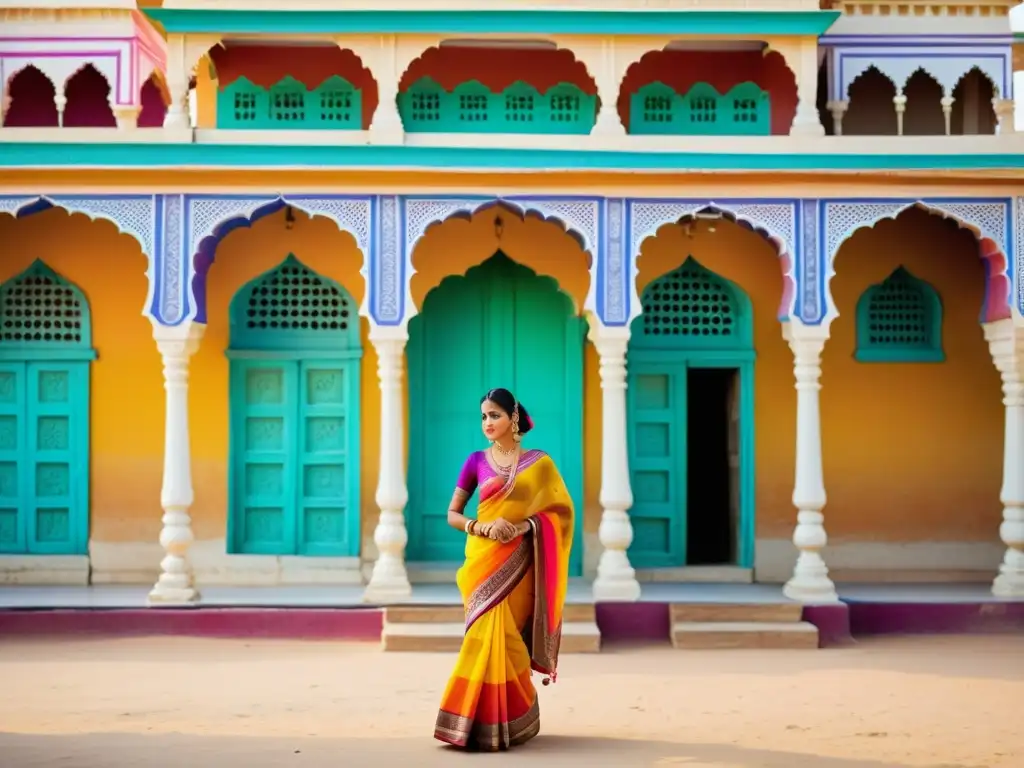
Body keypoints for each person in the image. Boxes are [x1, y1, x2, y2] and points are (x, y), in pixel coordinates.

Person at [433, 387, 574, 752]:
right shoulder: (475, 461)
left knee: (510, 641)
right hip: (483, 562)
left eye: (494, 415)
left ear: (513, 417)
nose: (487, 423)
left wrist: (525, 526)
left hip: (521, 563)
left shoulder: (540, 463)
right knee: (483, 638)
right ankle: (467, 721)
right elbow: (452, 514)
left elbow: (560, 513)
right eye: (483, 417)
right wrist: (482, 527)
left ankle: (515, 720)